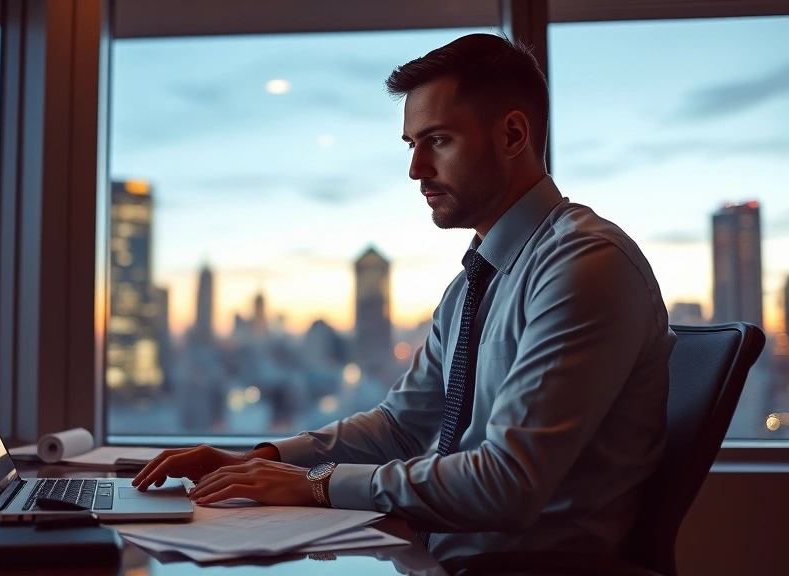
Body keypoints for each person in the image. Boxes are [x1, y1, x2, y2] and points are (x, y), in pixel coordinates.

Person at [133, 32, 675, 561]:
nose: (415, 170)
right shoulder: (474, 283)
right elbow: (399, 425)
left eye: (437, 140)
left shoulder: (584, 264)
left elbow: (508, 482)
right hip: (434, 554)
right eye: (412, 145)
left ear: (513, 135)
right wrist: (261, 458)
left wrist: (315, 484)